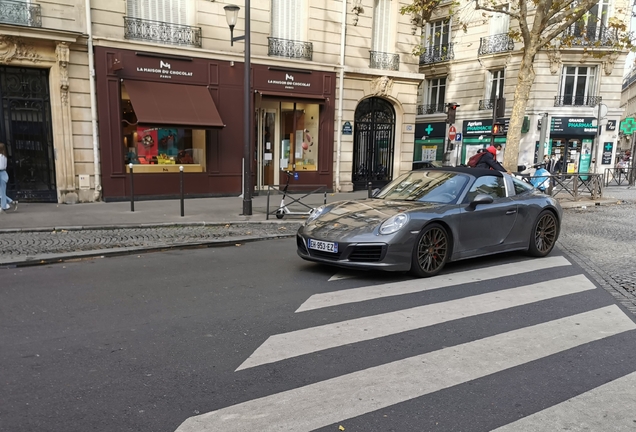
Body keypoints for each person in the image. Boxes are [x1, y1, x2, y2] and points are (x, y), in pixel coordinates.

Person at [0, 142, 17, 213]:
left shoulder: (0, 156)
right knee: (2, 192)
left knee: (2, 192)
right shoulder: (4, 156)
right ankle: (11, 202)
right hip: (4, 173)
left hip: (1, 173)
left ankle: (3, 207)